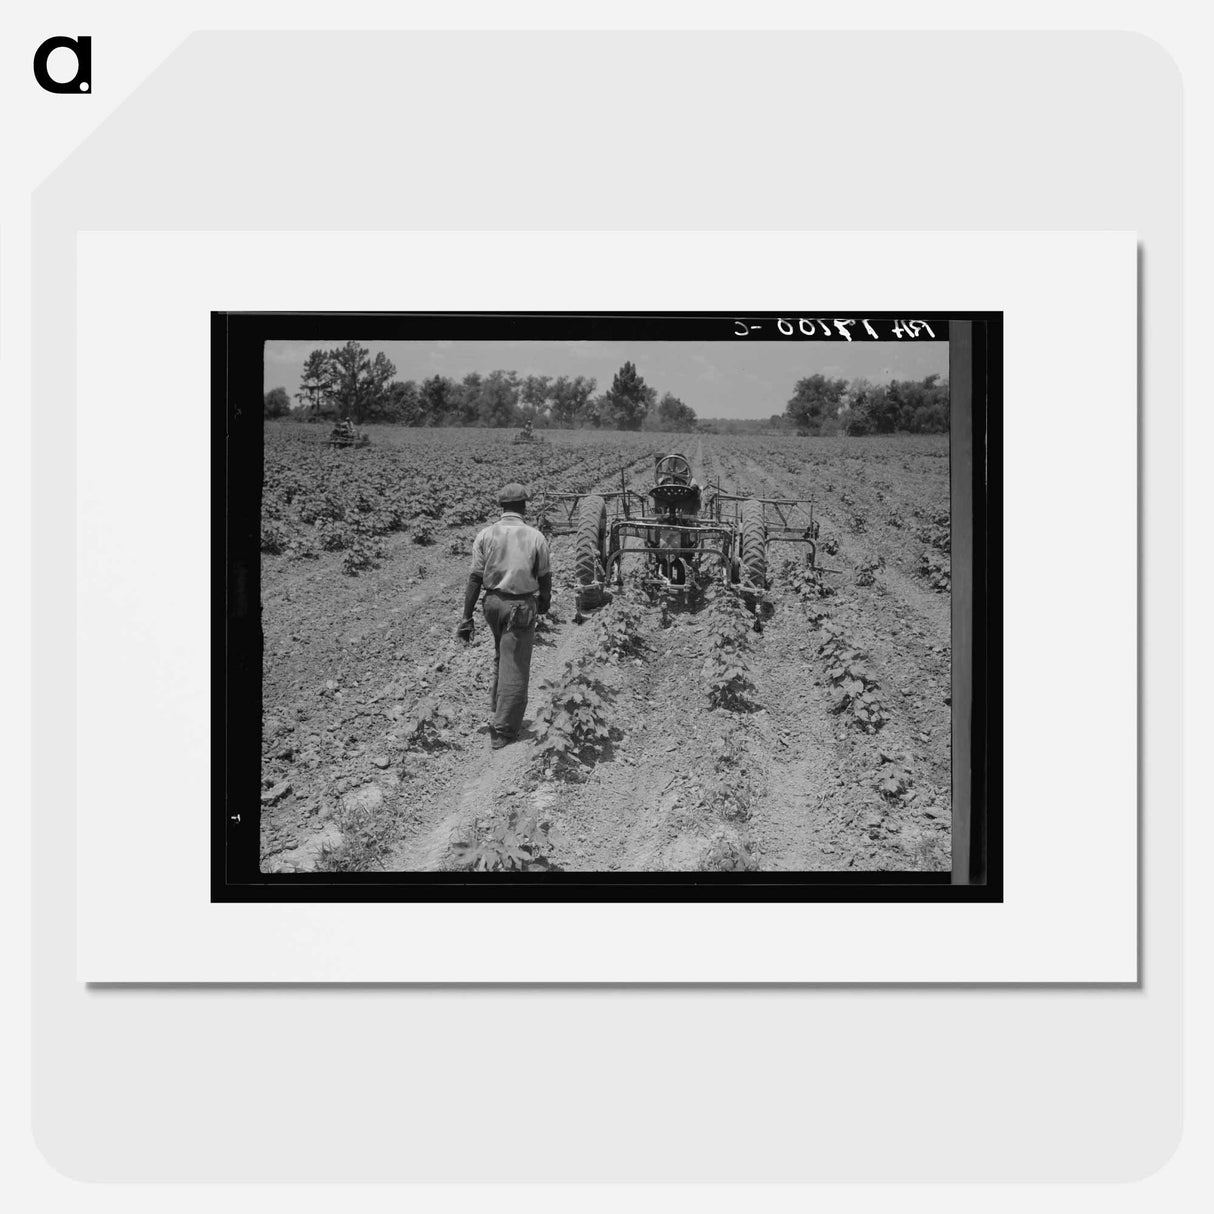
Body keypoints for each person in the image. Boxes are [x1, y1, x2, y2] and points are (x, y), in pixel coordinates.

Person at [457, 483, 552, 749]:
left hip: (492, 604)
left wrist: (467, 616)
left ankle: (498, 707)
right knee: (516, 665)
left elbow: (475, 577)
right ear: (524, 506)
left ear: (502, 507)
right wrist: (544, 602)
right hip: (519, 607)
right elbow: (545, 576)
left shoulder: (486, 535)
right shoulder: (535, 537)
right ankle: (503, 730)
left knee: (502, 654)